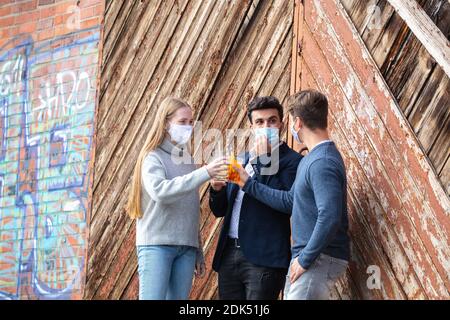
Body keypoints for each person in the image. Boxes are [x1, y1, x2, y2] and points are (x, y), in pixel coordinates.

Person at [231, 90, 350, 300]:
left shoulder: (322, 162)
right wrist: (248, 184)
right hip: (311, 257)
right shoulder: (311, 159)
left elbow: (330, 216)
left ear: (296, 123)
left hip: (318, 258)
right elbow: (289, 200)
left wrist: (305, 259)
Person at [127, 96, 228, 300]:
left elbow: (190, 208)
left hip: (186, 249)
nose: (188, 127)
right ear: (165, 123)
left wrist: (198, 248)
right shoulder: (152, 157)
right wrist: (205, 172)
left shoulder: (187, 160)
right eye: (182, 122)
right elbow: (160, 192)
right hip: (157, 245)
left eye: (191, 122)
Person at [209, 96, 302, 300]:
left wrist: (263, 162)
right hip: (229, 255)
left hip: (264, 260)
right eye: (259, 122)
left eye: (272, 121)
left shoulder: (294, 162)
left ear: (282, 125)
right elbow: (220, 210)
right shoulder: (241, 159)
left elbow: (285, 204)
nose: (266, 126)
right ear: (251, 127)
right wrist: (216, 190)